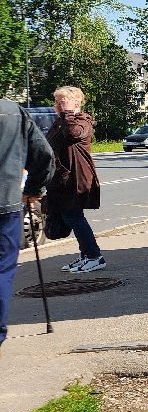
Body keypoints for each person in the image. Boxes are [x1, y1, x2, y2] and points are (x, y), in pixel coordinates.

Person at [0, 98, 54, 355]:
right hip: (5, 204)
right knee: (1, 270)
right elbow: (43, 154)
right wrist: (33, 189)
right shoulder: (12, 111)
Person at [46, 86, 105, 273]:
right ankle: (86, 255)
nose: (58, 105)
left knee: (74, 216)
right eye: (57, 101)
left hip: (77, 179)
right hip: (63, 180)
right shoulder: (61, 122)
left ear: (76, 102)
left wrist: (68, 113)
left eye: (63, 101)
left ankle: (95, 256)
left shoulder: (82, 120)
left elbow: (73, 134)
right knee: (70, 216)